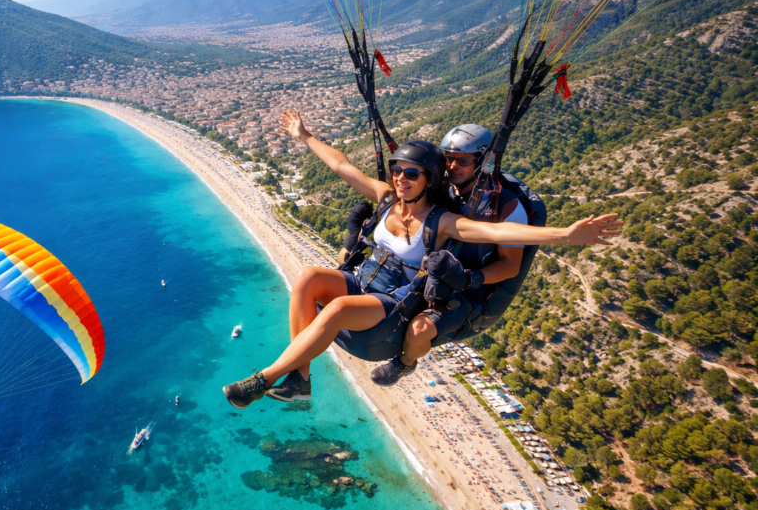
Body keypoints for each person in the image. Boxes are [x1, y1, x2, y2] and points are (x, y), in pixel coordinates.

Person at [221, 110, 621, 410]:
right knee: (308, 277)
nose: (401, 178)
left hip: (390, 303)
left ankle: (263, 379)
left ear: (428, 179)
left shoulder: (443, 221)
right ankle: (299, 379)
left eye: (412, 173)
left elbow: (498, 233)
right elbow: (341, 165)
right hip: (362, 281)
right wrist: (305, 136)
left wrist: (565, 236)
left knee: (339, 307)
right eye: (398, 171)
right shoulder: (385, 198)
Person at [367, 123, 530, 386]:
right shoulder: (440, 188)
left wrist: (469, 279)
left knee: (420, 331)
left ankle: (405, 363)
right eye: (448, 158)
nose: (453, 166)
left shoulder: (506, 206)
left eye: (462, 160)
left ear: (481, 162)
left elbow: (510, 265)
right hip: (430, 277)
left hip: (470, 287)